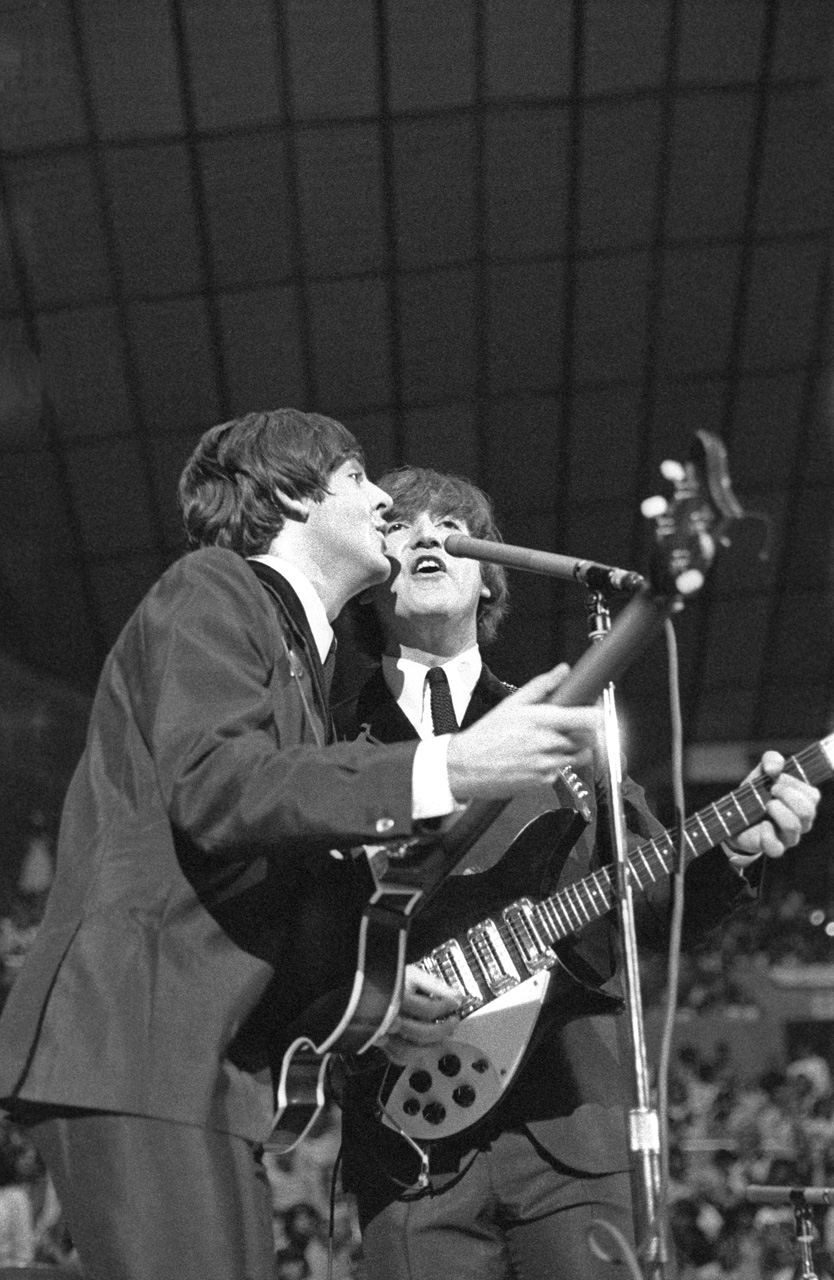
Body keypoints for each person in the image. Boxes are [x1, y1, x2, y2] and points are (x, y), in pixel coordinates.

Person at [0, 410, 610, 1280]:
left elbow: (260, 879)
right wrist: (452, 764)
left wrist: (375, 998)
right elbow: (219, 788)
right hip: (135, 1046)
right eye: (358, 478)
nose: (384, 505)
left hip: (199, 1067)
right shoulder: (212, 588)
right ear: (291, 495)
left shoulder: (302, 674)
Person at [332, 465, 820, 1280]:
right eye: (400, 525)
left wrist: (733, 848)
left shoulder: (564, 725)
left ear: (490, 576)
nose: (426, 535)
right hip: (407, 1141)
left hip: (573, 1132)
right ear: (369, 578)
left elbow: (648, 902)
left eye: (452, 526)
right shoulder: (327, 748)